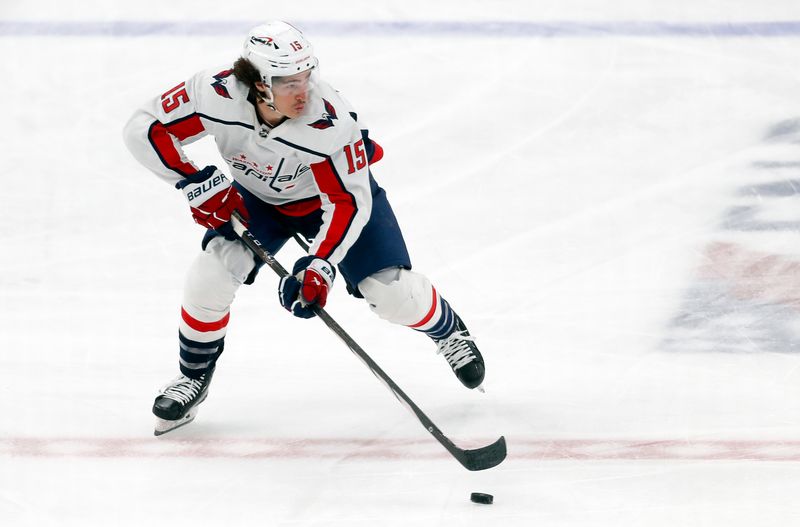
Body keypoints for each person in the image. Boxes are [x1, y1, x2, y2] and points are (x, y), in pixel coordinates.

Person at [123, 21, 486, 436]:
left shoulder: (330, 121)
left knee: (393, 295)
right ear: (256, 82)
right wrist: (194, 181)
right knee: (210, 274)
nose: (302, 90)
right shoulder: (213, 93)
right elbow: (144, 127)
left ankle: (448, 329)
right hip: (257, 200)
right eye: (286, 81)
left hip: (331, 204)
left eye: (305, 75)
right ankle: (193, 376)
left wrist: (320, 265)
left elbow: (348, 201)